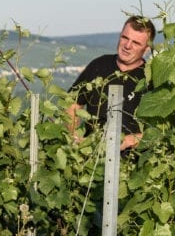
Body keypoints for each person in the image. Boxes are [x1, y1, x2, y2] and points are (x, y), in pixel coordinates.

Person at [66, 15, 155, 152]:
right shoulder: (99, 66)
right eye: (125, 38)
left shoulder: (151, 78)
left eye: (136, 43)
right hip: (91, 157)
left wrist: (131, 140)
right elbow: (72, 104)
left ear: (147, 49)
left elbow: (160, 131)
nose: (127, 46)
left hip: (133, 163)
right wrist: (74, 136)